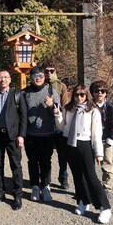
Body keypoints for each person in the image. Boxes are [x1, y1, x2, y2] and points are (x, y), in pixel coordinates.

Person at [54, 83, 112, 224]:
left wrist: (99, 153)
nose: (79, 97)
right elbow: (62, 127)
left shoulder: (92, 111)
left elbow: (97, 133)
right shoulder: (68, 108)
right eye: (76, 95)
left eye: (82, 95)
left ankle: (105, 208)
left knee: (91, 177)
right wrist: (58, 116)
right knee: (77, 176)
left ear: (87, 95)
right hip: (69, 143)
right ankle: (83, 201)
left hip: (85, 144)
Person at [0, 70, 27, 211]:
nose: (2, 80)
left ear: (9, 80)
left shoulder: (17, 95)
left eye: (5, 77)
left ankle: (17, 195)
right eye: (0, 77)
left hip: (13, 136)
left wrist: (21, 135)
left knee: (16, 165)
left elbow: (23, 117)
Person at [23, 66, 60, 202]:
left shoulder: (51, 91)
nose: (37, 79)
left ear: (44, 77)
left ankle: (46, 185)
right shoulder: (24, 93)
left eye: (40, 76)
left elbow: (58, 113)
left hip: (47, 133)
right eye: (34, 76)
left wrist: (51, 105)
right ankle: (35, 186)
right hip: (30, 134)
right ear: (30, 78)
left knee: (46, 161)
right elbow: (21, 114)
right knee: (32, 161)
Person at [42, 60, 70, 190]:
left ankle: (63, 176)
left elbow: (65, 105)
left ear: (55, 71)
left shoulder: (61, 86)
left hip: (58, 125)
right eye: (46, 71)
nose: (49, 73)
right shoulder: (39, 84)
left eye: (51, 71)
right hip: (44, 125)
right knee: (45, 154)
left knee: (62, 154)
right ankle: (45, 178)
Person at [90, 80, 113, 193]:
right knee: (89, 165)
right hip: (90, 139)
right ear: (92, 93)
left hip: (106, 140)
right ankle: (91, 187)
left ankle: (107, 187)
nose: (100, 93)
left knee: (107, 163)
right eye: (97, 91)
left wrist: (112, 139)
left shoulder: (111, 108)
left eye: (103, 91)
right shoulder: (88, 106)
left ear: (106, 93)